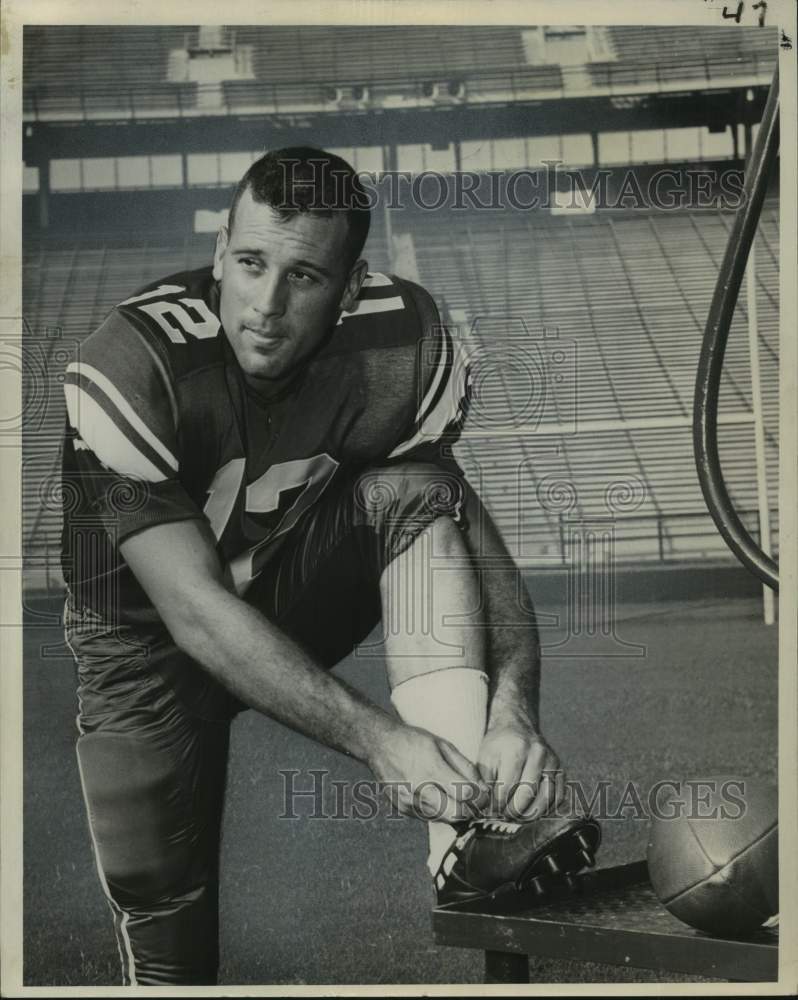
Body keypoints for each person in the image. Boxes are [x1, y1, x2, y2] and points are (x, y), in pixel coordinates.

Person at [60, 146, 599, 986]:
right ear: (220, 255)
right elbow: (195, 611)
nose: (266, 306)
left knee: (414, 486)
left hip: (288, 590)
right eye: (249, 264)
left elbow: (466, 530)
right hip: (145, 641)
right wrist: (380, 739)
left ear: (349, 290)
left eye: (305, 277)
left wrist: (512, 706)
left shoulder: (401, 340)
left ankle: (464, 842)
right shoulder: (136, 362)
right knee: (164, 915)